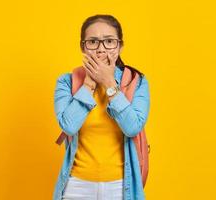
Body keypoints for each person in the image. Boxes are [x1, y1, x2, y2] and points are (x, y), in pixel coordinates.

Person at [52, 14, 150, 200]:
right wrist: (88, 84)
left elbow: (132, 128)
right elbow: (69, 126)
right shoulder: (66, 82)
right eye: (93, 42)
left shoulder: (137, 82)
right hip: (76, 186)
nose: (101, 49)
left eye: (109, 41)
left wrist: (108, 83)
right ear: (83, 47)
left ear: (120, 46)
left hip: (121, 186)